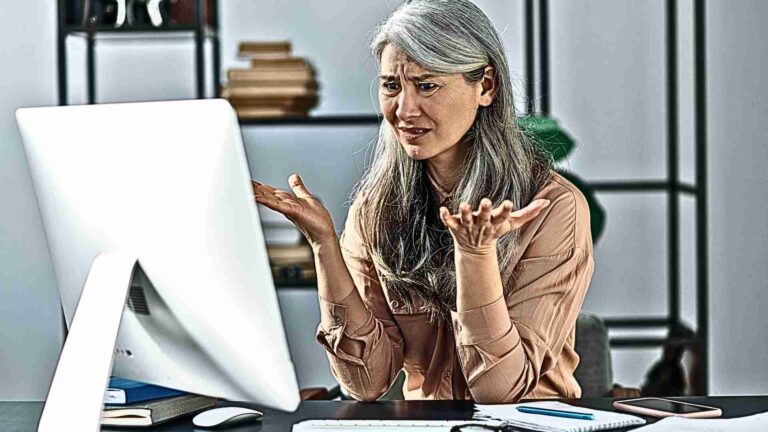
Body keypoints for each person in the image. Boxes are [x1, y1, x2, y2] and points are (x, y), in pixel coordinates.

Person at [252, 0, 593, 403]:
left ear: (486, 86)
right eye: (392, 86)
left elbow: (499, 390)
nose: (404, 110)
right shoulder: (376, 209)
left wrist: (475, 254)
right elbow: (365, 383)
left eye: (427, 85)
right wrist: (324, 245)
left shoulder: (553, 207)